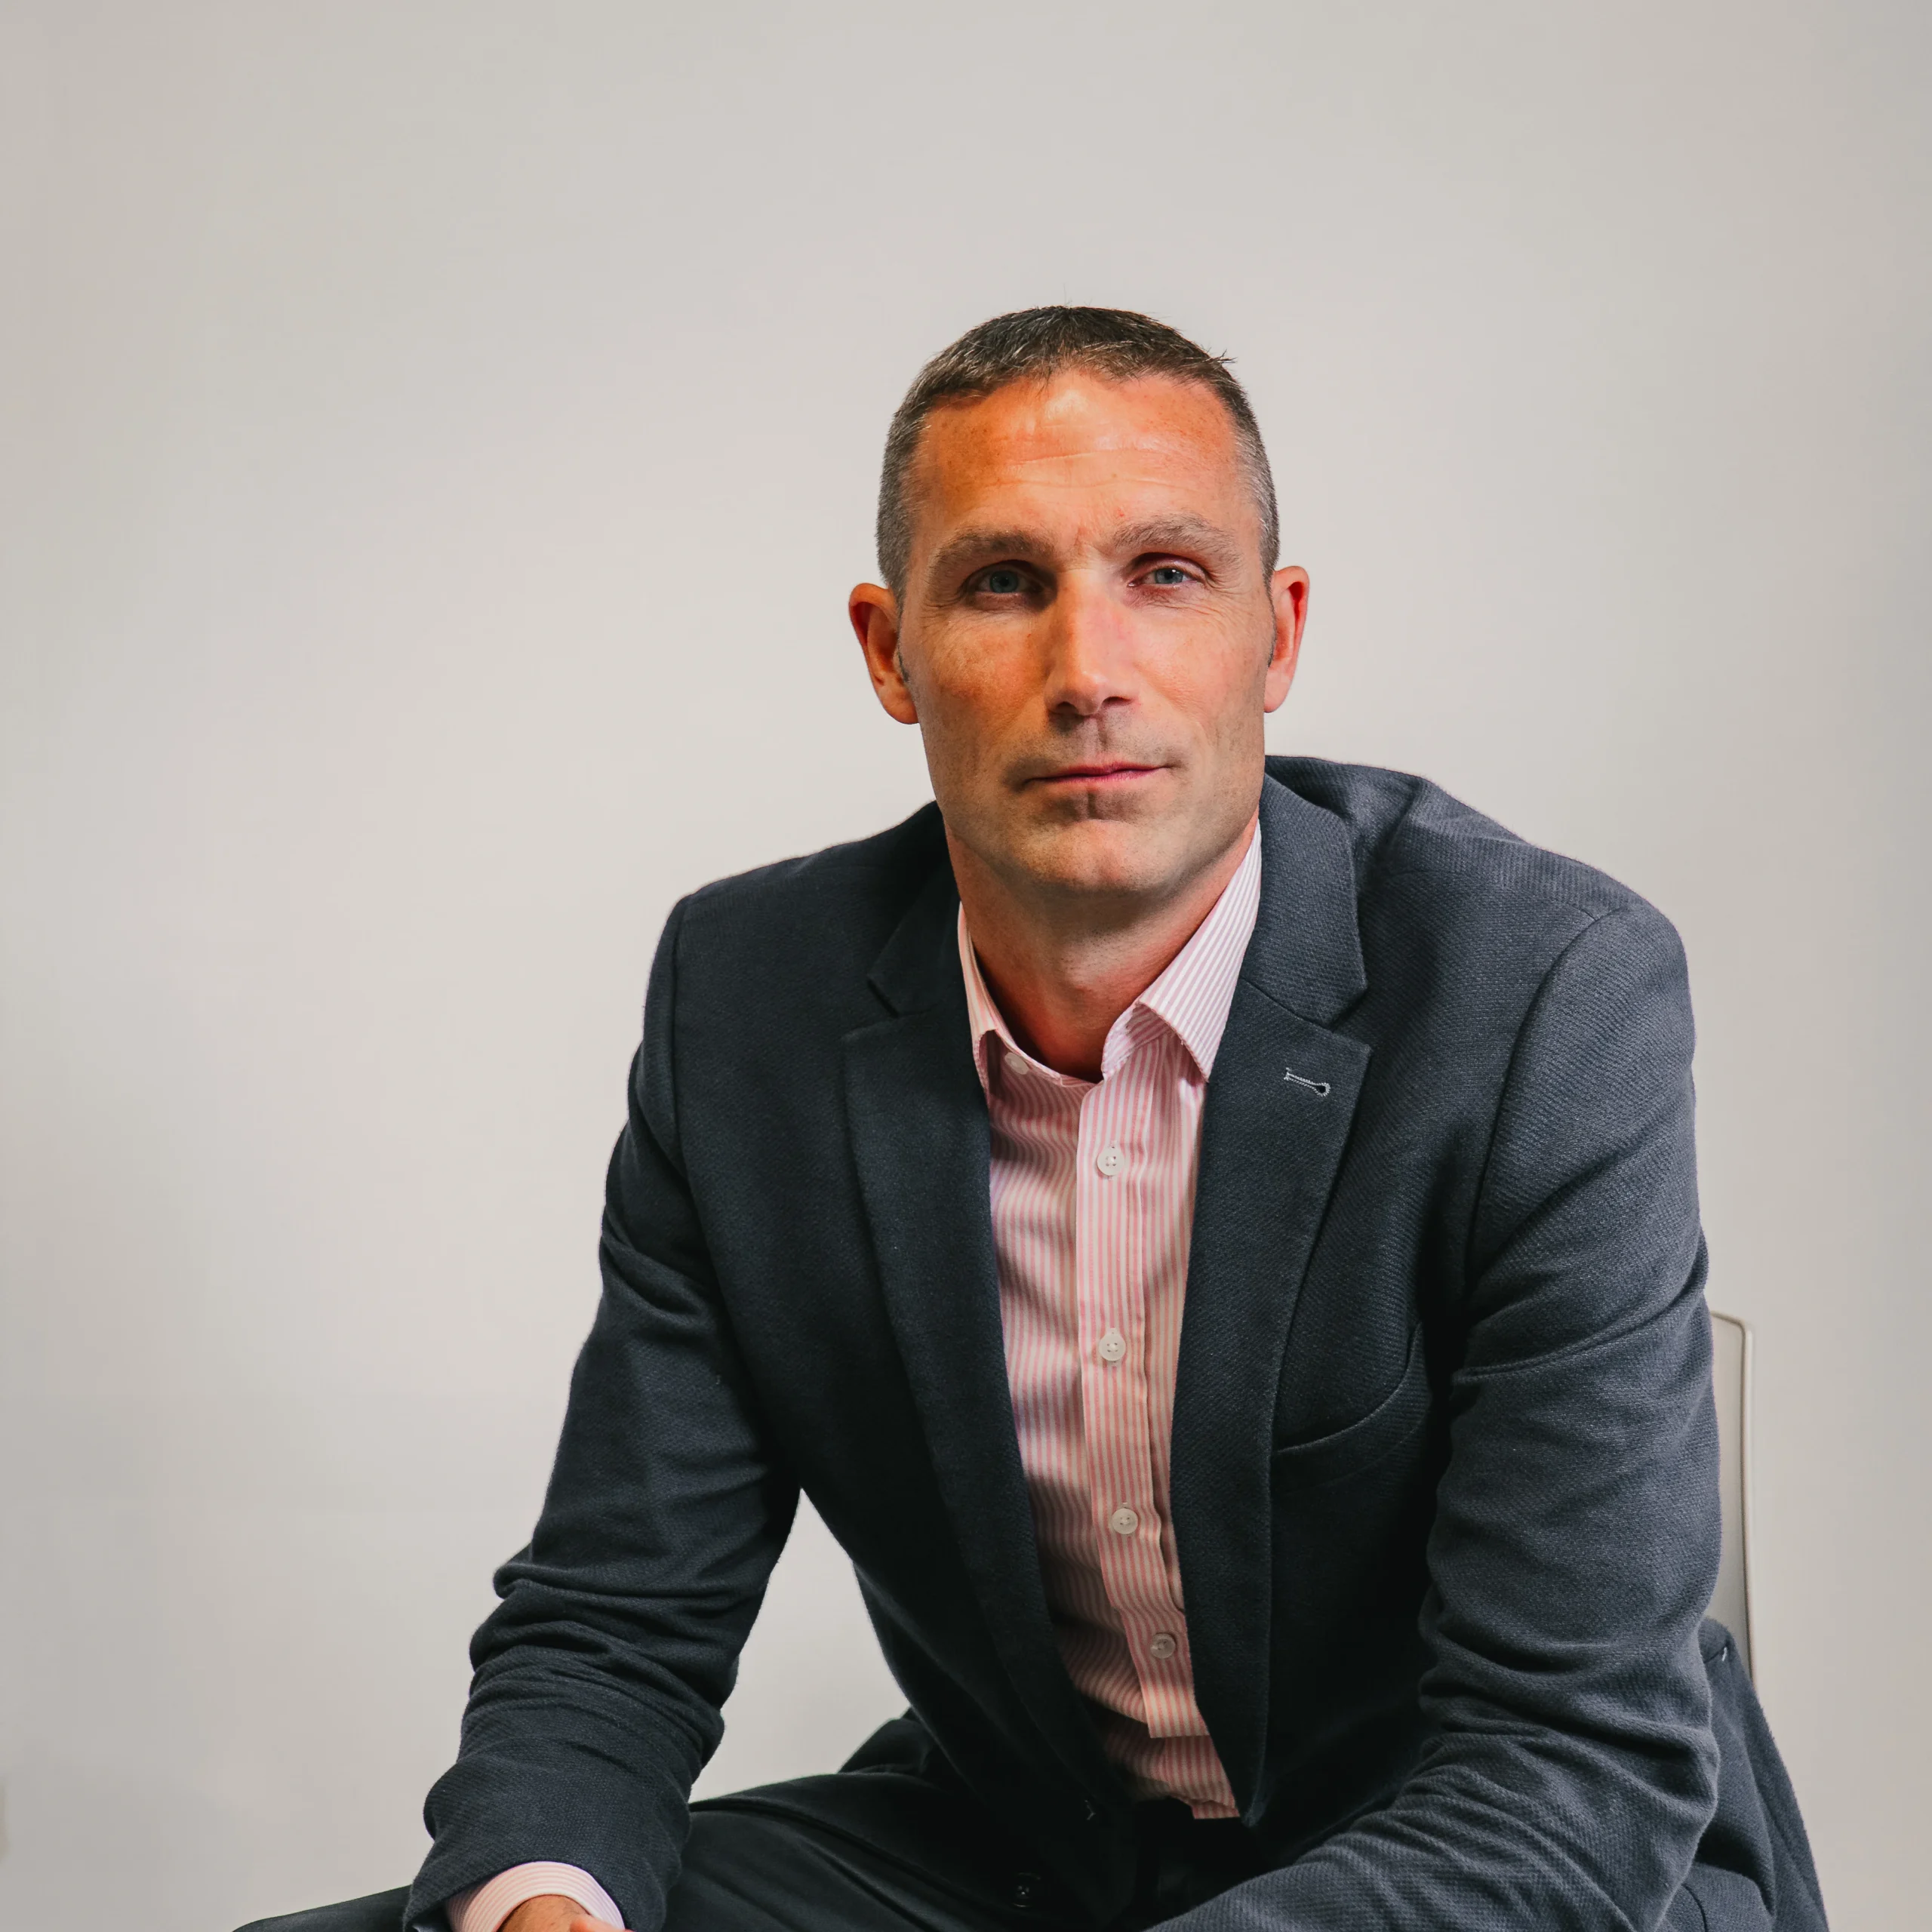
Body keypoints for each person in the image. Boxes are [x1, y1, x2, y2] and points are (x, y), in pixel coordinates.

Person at [245, 308, 1826, 1932]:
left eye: (1164, 573)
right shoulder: (746, 1006)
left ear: (1274, 637)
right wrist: (548, 1907)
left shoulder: (1537, 994)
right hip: (1017, 1856)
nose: (1087, 673)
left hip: (1504, 1868)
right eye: (1003, 583)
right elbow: (612, 1622)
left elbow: (1564, 1769)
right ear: (887, 650)